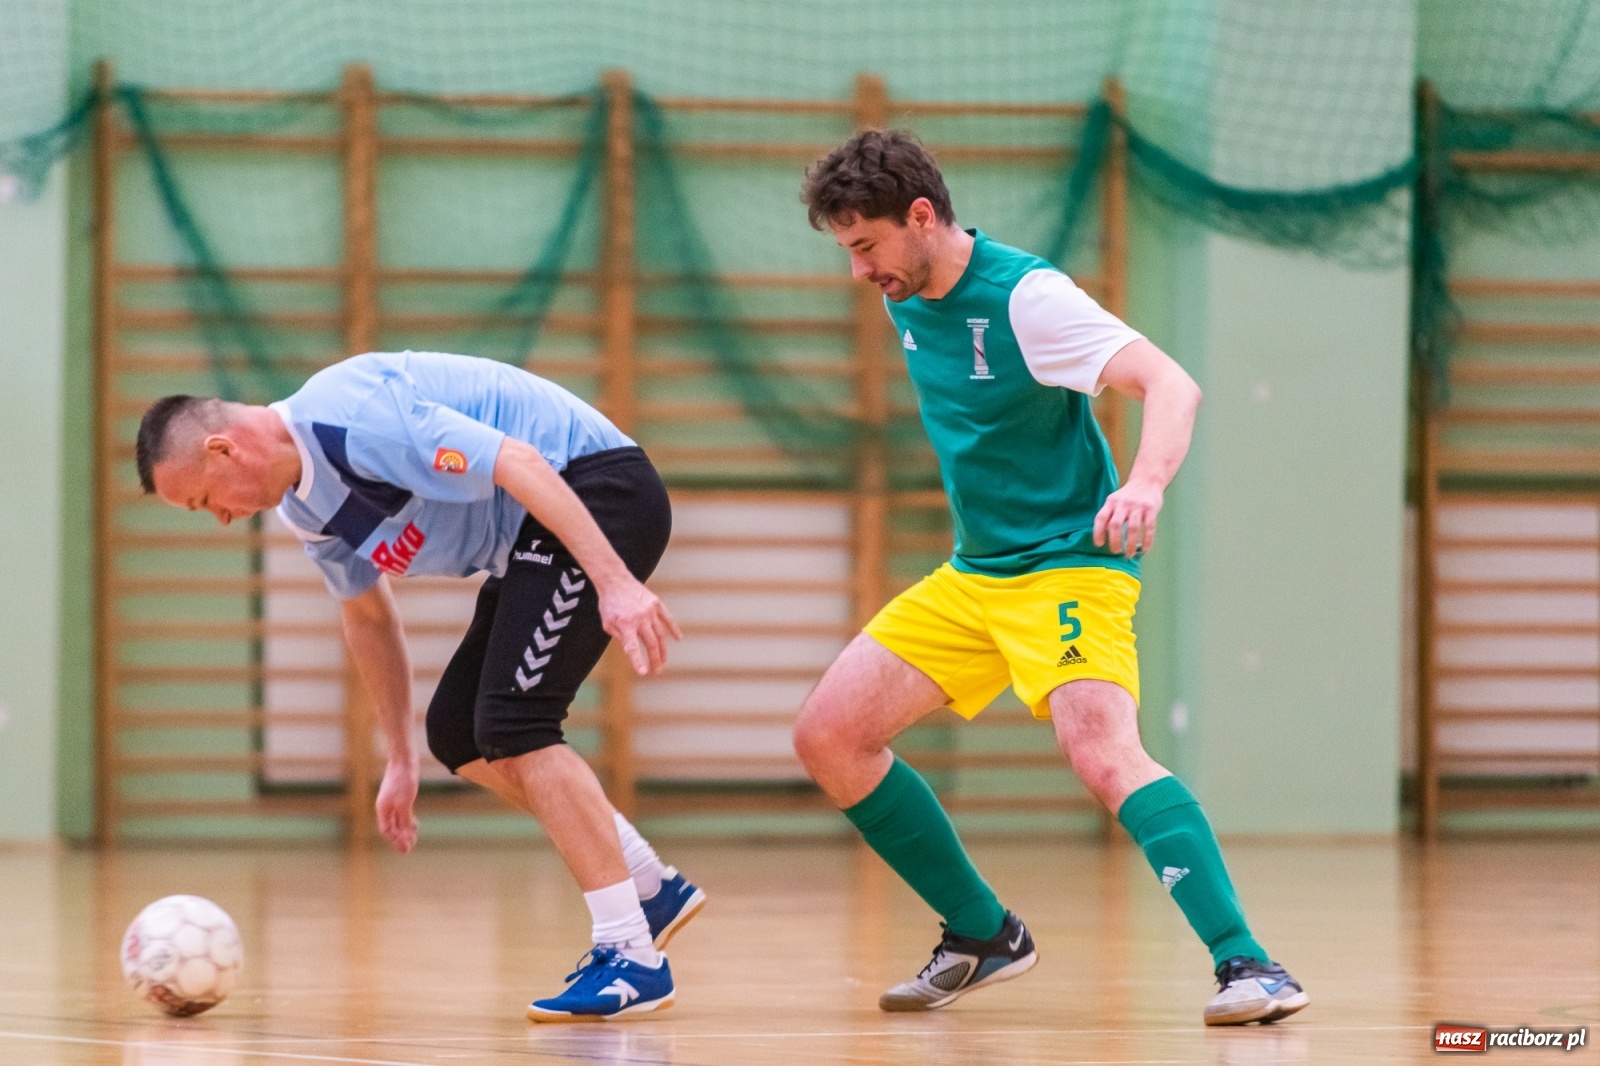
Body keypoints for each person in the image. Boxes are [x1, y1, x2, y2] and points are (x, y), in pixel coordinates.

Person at [792, 130, 1308, 1027]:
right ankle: (983, 935)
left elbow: (1171, 384)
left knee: (1103, 755)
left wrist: (1143, 484)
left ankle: (1251, 965)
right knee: (828, 736)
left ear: (922, 217)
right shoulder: (905, 294)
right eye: (847, 252)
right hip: (977, 571)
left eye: (866, 247)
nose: (859, 272)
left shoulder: (1029, 299)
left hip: (1070, 564)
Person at [136, 350, 702, 1022]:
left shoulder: (356, 419)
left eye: (205, 501)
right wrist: (400, 760)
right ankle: (646, 885)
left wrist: (613, 582)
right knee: (458, 732)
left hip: (598, 493)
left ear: (224, 450)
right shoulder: (305, 507)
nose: (222, 519)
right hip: (533, 535)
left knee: (515, 722)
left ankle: (630, 953)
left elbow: (519, 462)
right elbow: (368, 616)